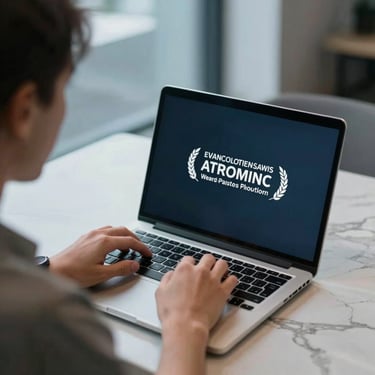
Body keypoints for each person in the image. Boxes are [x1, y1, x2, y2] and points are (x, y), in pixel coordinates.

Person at [0, 1, 238, 374]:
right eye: (65, 87)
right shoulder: (45, 317)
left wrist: (50, 269)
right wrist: (186, 323)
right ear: (24, 110)